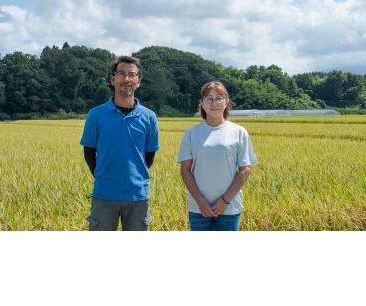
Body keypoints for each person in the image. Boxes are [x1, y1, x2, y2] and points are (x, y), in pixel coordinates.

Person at [80, 55, 159, 231]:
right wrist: (104, 176)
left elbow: (149, 156)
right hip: (104, 194)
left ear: (138, 81)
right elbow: (89, 152)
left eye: (132, 74)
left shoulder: (149, 117)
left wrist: (133, 178)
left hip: (138, 196)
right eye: (121, 73)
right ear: (112, 79)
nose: (126, 79)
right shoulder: (96, 115)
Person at [178, 81, 258, 231]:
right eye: (209, 98)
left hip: (230, 208)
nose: (213, 103)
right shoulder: (191, 133)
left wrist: (224, 201)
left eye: (219, 98)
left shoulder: (239, 132)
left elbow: (244, 170)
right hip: (198, 209)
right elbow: (185, 170)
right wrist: (201, 202)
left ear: (226, 101)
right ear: (201, 103)